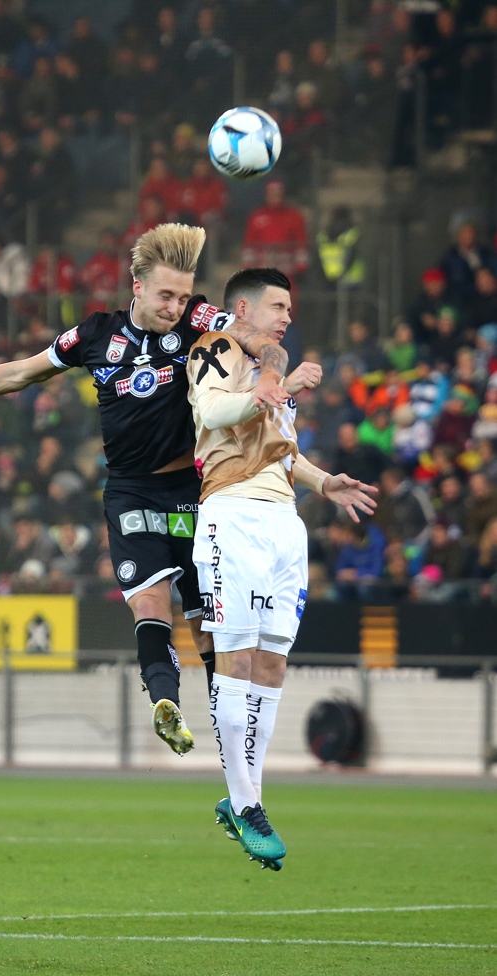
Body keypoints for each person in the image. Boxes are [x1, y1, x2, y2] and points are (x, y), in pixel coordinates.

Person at [0, 223, 289, 757]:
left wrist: (269, 372)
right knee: (148, 603)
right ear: (137, 286)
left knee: (206, 627)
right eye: (165, 295)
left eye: (182, 294)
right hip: (129, 493)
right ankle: (164, 702)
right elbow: (20, 372)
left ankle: (232, 751)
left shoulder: (201, 318)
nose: (177, 305)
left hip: (193, 492)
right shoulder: (95, 335)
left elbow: (261, 340)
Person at [187, 268, 377, 870]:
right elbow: (216, 415)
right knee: (235, 655)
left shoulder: (275, 370)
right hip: (232, 514)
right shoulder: (215, 350)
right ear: (242, 306)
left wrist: (324, 482)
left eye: (291, 307)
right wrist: (275, 386)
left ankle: (249, 798)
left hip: (281, 524)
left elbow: (282, 449)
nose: (287, 315)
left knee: (271, 660)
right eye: (278, 305)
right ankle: (244, 803)